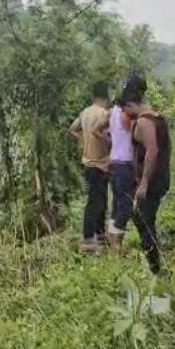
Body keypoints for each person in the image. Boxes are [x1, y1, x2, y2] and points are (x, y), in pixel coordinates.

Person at [121, 90, 172, 274]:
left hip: (153, 180)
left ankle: (157, 269)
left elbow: (152, 152)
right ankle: (156, 265)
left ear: (130, 104)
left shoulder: (144, 121)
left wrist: (143, 183)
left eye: (125, 109)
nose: (125, 114)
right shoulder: (157, 117)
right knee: (144, 218)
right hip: (159, 177)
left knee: (143, 219)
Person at [107, 75, 147, 253]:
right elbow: (136, 135)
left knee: (116, 204)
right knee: (126, 205)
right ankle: (116, 244)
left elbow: (103, 131)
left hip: (114, 161)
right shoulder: (128, 113)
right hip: (125, 163)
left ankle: (111, 240)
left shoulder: (114, 109)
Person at [70, 82, 111, 252]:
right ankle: (88, 239)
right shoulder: (104, 113)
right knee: (95, 202)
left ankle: (100, 236)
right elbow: (107, 136)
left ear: (93, 96)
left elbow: (72, 129)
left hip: (88, 163)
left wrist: (83, 141)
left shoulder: (85, 112)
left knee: (100, 200)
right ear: (106, 97)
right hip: (100, 163)